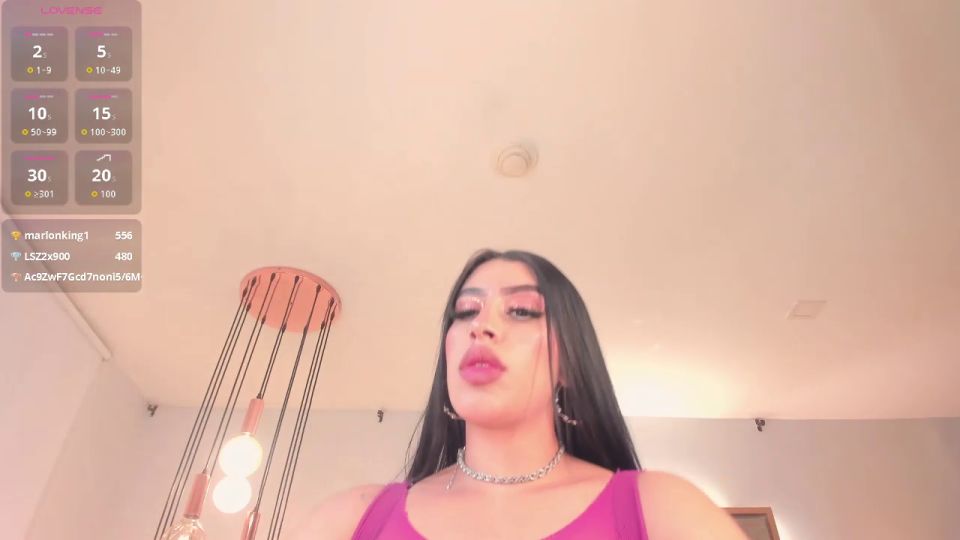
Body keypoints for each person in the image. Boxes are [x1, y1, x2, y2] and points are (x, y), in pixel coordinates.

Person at [294, 249, 746, 539]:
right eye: (465, 312)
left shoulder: (661, 510)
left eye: (522, 311)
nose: (481, 325)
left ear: (569, 361)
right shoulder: (349, 521)